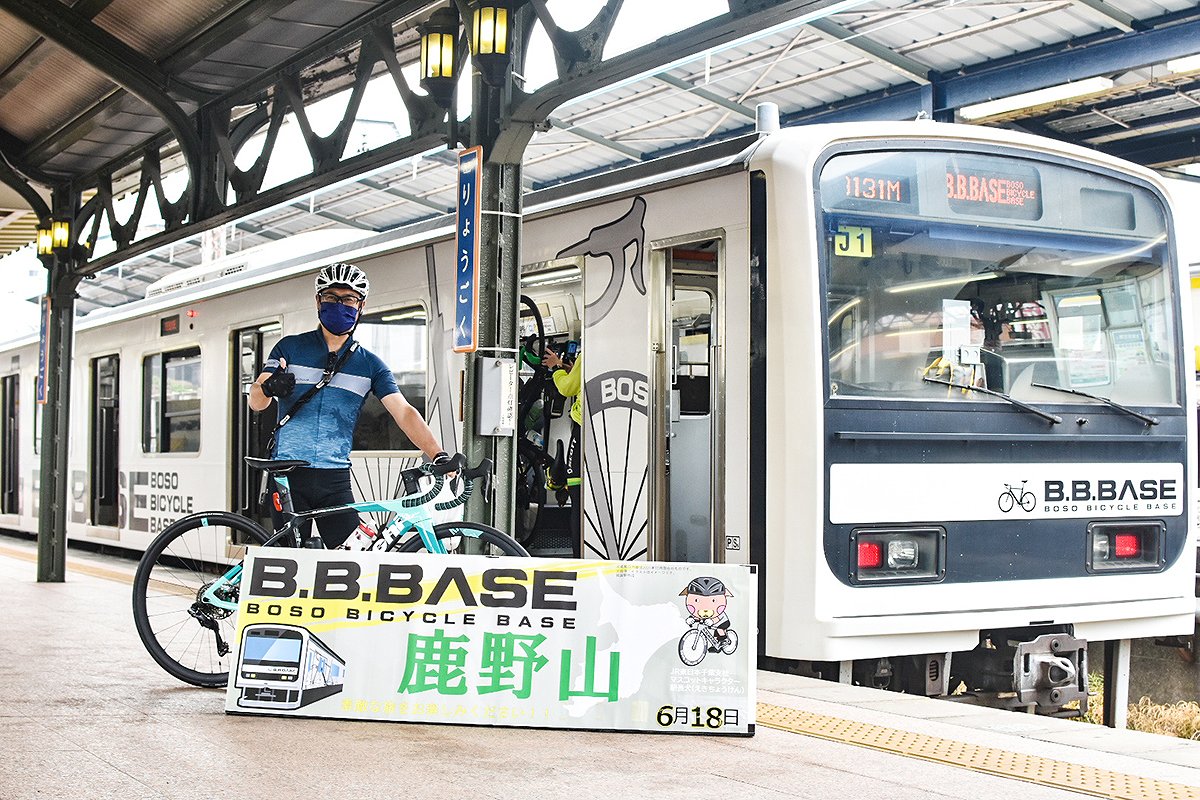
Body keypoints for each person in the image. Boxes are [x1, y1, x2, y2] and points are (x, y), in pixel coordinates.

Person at [248, 262, 449, 547]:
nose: (340, 305)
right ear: (318, 301)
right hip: (289, 475)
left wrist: (437, 453)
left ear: (361, 305)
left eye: (349, 299)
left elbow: (403, 412)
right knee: (289, 561)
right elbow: (256, 402)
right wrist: (269, 386)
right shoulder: (289, 348)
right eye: (331, 297)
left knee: (351, 559)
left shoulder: (370, 365)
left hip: (334, 479)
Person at [542, 347, 581, 552]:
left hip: (582, 430)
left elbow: (567, 388)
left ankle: (577, 554)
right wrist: (573, 369)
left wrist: (556, 367)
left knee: (575, 492)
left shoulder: (588, 354)